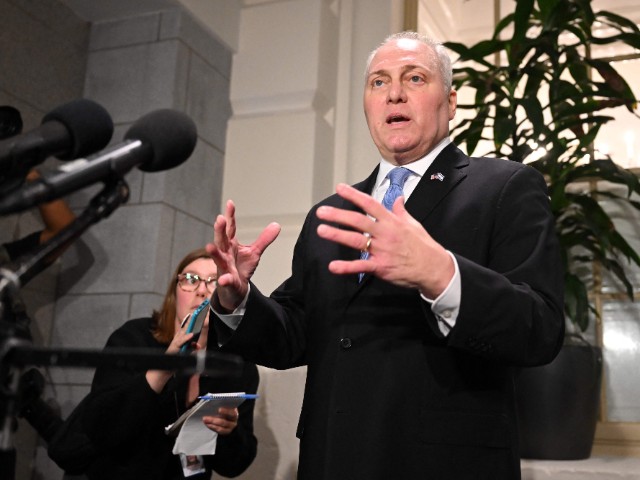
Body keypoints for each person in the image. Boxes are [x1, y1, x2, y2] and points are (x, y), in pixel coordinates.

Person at [205, 31, 565, 480]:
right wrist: (238, 300)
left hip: (443, 463)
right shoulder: (332, 212)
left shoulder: (504, 188)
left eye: (415, 78)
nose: (394, 92)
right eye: (378, 82)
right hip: (332, 456)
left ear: (450, 103)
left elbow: (541, 328)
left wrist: (441, 275)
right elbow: (295, 335)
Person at [64, 248, 259, 479]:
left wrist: (229, 432)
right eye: (190, 279)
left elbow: (234, 466)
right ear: (174, 293)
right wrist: (165, 366)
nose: (201, 291)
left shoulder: (237, 365)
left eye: (214, 281)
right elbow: (102, 427)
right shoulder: (133, 339)